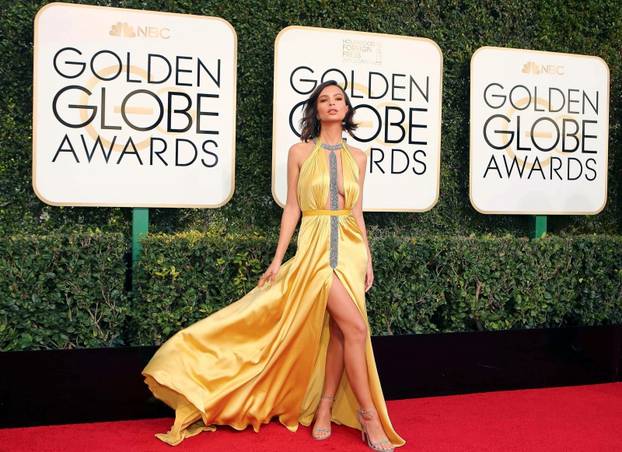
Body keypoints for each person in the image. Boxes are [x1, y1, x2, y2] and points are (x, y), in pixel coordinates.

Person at [142, 80, 405, 451]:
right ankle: (368, 416)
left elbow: (357, 210)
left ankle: (326, 407)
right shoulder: (299, 152)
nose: (332, 104)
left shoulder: (359, 157)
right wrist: (278, 258)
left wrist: (369, 258)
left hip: (350, 248)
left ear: (346, 110)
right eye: (324, 100)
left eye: (338, 99)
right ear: (315, 110)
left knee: (343, 331)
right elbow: (293, 209)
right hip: (315, 247)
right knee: (357, 329)